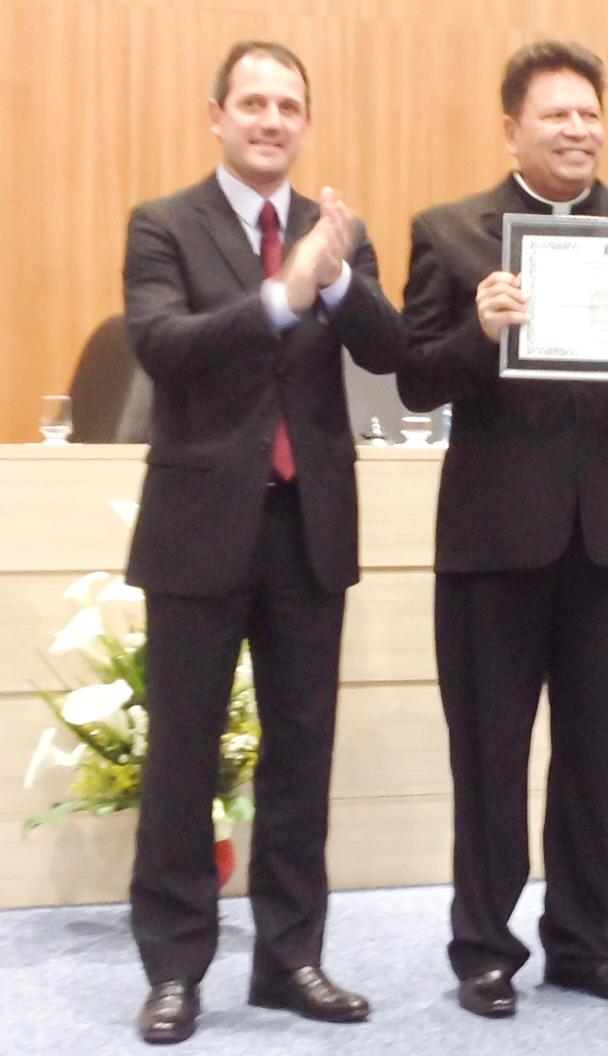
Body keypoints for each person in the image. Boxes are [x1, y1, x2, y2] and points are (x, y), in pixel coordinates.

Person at [398, 39, 608, 1019]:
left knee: (594, 761)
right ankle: (483, 952)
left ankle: (585, 948)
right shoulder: (451, 235)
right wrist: (479, 332)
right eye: (555, 114)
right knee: (489, 759)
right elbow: (414, 379)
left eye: (589, 113)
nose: (576, 130)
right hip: (493, 543)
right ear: (512, 129)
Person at [122, 40, 405, 1044]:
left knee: (301, 754)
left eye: (288, 105)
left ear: (306, 123)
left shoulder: (338, 235)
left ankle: (290, 960)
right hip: (199, 530)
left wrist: (334, 279)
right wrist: (282, 297)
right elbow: (162, 345)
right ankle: (174, 969)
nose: (271, 120)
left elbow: (390, 352)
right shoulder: (164, 224)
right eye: (253, 103)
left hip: (307, 529)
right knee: (182, 757)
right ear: (217, 115)